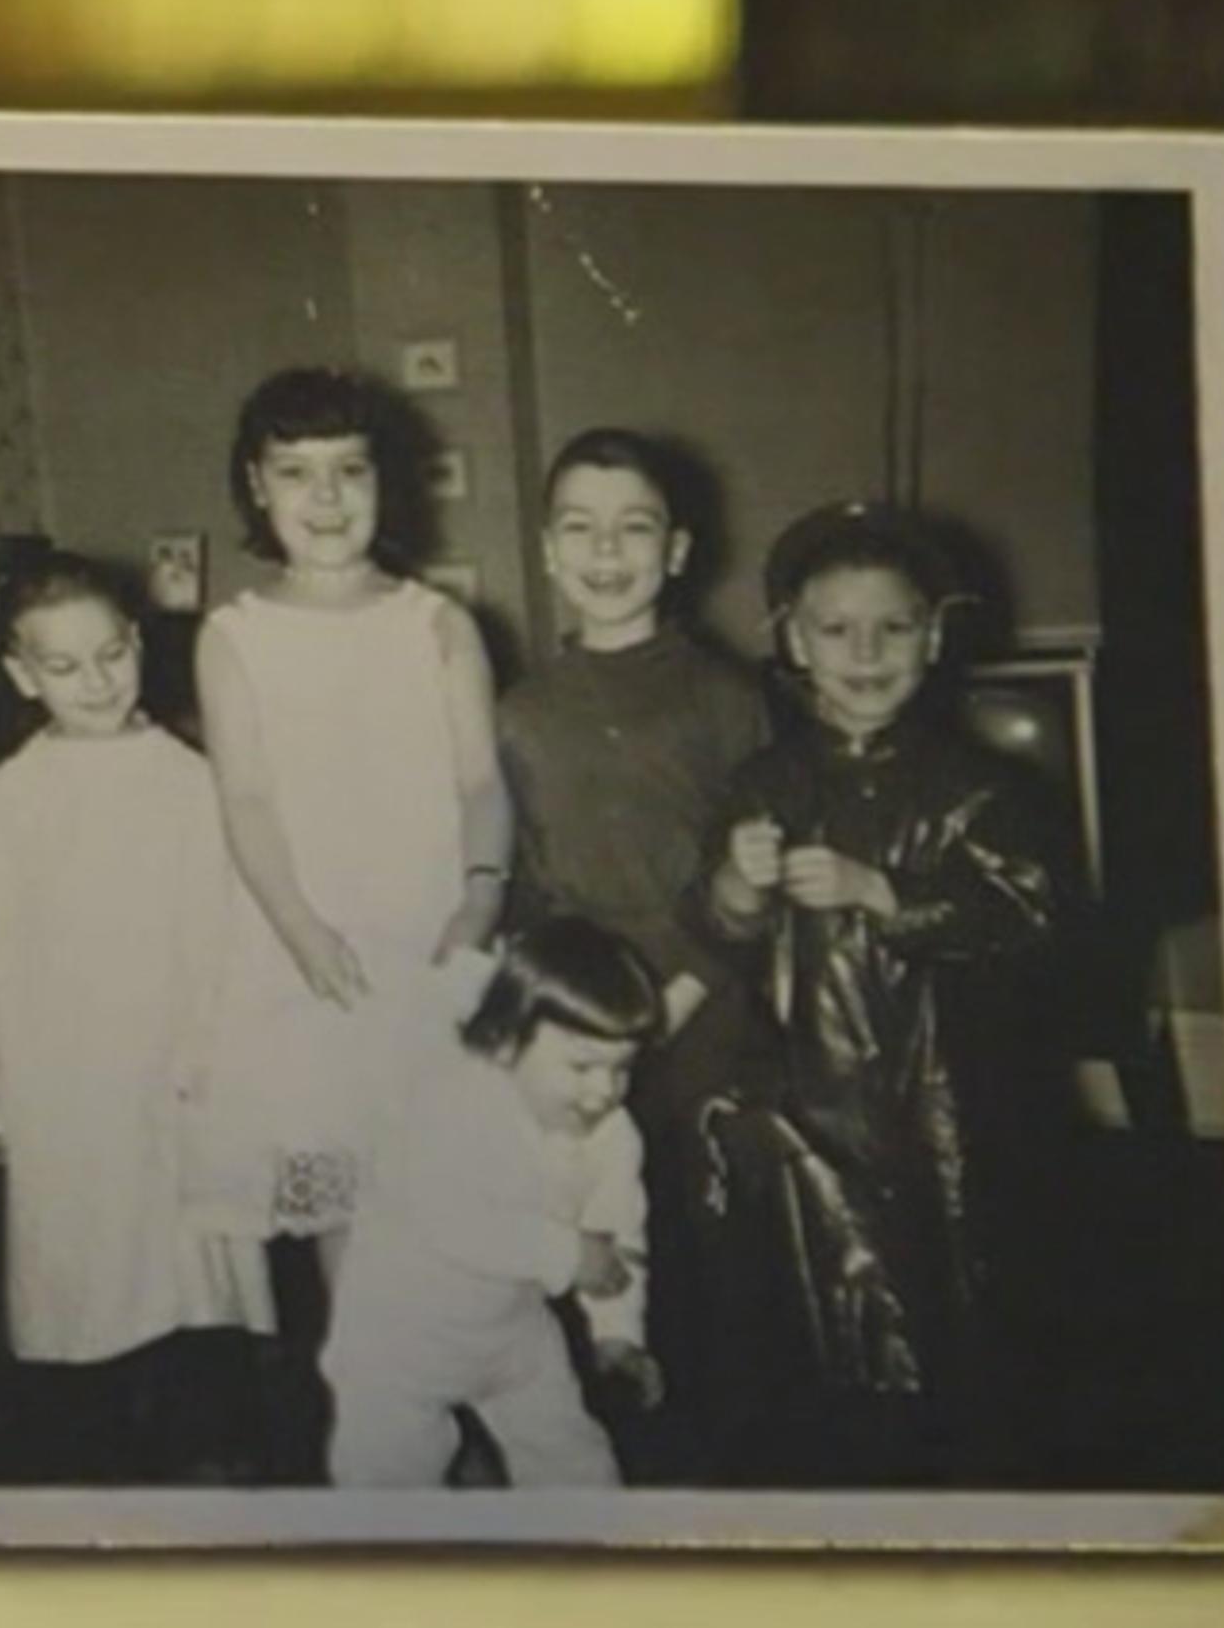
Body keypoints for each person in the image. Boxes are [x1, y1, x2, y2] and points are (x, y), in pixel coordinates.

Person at [699, 501, 1072, 1485]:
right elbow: (722, 928)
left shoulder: (977, 786)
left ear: (935, 635)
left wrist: (885, 891)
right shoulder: (763, 781)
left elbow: (1030, 918)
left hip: (944, 1112)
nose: (865, 652)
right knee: (822, 1347)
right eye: (835, 629)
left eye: (894, 627)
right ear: (791, 638)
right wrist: (738, 882)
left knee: (957, 1341)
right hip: (807, 1113)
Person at [192, 368, 510, 1304]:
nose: (325, 499)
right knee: (347, 1203)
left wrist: (482, 894)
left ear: (386, 481)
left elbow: (480, 780)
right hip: (309, 954)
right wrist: (299, 929)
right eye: (296, 473)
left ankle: (474, 1401)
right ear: (256, 485)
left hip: (431, 938)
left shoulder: (440, 624)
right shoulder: (234, 635)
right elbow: (245, 801)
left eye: (350, 471)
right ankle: (380, 1418)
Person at [492, 427, 770, 1476]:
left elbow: (757, 875)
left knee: (702, 1245)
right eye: (581, 527)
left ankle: (722, 1478)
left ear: (680, 547)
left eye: (635, 526)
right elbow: (521, 876)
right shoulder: (521, 709)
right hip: (572, 1019)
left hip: (704, 997)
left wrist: (682, 993)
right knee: (588, 1242)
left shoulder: (725, 695)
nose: (608, 551)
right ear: (551, 548)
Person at [0, 555, 247, 1422]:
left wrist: (222, 1057)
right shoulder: (4, 804)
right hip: (58, 1075)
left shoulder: (192, 784)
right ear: (22, 676)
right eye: (62, 668)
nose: (95, 682)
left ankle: (205, 1429)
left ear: (137, 644)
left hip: (174, 1062)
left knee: (190, 1276)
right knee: (84, 1275)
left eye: (111, 655)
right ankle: (103, 1436)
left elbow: (223, 932)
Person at [322, 920, 663, 1489]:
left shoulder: (611, 1133)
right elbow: (450, 1219)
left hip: (512, 1332)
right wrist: (566, 1253)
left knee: (571, 1454)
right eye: (581, 1066)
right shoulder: (457, 1104)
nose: (603, 1091)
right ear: (506, 1043)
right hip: (397, 1336)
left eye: (621, 1069)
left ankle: (592, 1546)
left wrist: (618, 1333)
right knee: (388, 1473)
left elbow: (617, 1233)